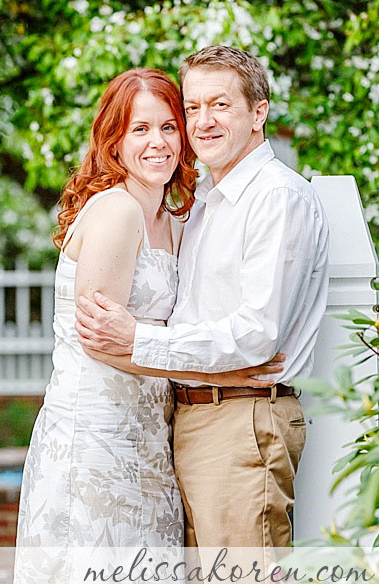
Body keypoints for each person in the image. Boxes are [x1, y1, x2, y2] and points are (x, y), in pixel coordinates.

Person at [14, 68, 281, 580]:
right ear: (114, 140)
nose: (157, 142)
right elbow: (99, 344)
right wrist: (228, 377)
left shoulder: (173, 216)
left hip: (151, 434)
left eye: (168, 127)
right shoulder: (117, 212)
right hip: (97, 434)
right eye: (140, 129)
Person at [76, 46, 330, 548]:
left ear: (259, 113)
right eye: (192, 108)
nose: (202, 122)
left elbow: (257, 334)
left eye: (220, 105)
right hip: (187, 419)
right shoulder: (205, 204)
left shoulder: (276, 198)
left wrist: (140, 338)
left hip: (242, 420)